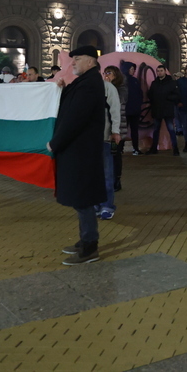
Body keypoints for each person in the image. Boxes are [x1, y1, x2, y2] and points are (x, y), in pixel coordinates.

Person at [50, 46, 107, 265]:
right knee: (81, 198)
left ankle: (90, 246)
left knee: (83, 199)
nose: (73, 62)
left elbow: (75, 119)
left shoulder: (90, 84)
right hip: (79, 150)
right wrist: (63, 89)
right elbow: (72, 108)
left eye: (78, 59)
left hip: (81, 151)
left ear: (91, 61)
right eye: (72, 59)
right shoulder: (86, 82)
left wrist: (55, 143)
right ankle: (86, 240)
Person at [97, 64, 122, 220]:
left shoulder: (108, 88)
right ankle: (97, 204)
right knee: (93, 174)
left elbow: (115, 110)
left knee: (107, 173)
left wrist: (115, 131)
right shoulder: (84, 87)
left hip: (105, 136)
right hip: (89, 139)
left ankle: (107, 205)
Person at [103, 66, 127, 192]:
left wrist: (115, 130)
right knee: (110, 154)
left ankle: (116, 179)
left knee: (115, 153)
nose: (106, 75)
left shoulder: (120, 88)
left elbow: (120, 103)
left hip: (118, 129)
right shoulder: (104, 87)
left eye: (109, 73)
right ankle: (110, 179)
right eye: (105, 73)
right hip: (108, 129)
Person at [147, 64, 180, 155]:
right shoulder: (154, 83)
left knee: (171, 129)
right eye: (158, 71)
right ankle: (154, 148)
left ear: (165, 71)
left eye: (161, 71)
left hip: (167, 109)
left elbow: (177, 95)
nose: (159, 72)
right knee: (156, 129)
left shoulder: (172, 83)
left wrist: (168, 97)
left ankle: (175, 149)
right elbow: (150, 94)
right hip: (157, 109)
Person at [120, 61, 143, 156]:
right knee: (122, 131)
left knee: (134, 131)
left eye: (134, 69)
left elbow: (140, 94)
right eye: (132, 69)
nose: (133, 71)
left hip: (134, 110)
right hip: (125, 110)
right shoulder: (121, 81)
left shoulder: (135, 80)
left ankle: (135, 148)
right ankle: (120, 148)